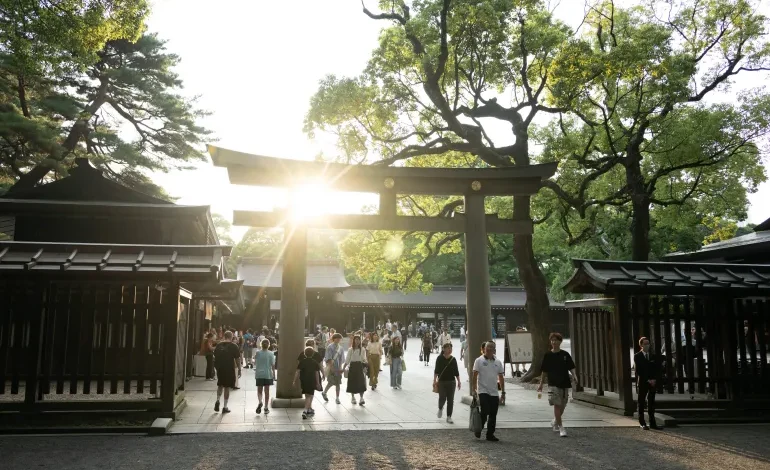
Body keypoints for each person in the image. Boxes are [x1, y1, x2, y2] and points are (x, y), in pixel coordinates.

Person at [537, 332, 577, 438]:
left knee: (563, 405)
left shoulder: (565, 355)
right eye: (552, 340)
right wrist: (541, 384)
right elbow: (544, 371)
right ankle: (561, 427)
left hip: (564, 383)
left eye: (556, 340)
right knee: (557, 405)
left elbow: (571, 366)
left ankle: (555, 421)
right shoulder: (548, 355)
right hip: (553, 384)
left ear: (560, 341)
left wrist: (574, 375)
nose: (554, 342)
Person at [472, 341, 505, 441]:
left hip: (494, 392)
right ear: (484, 349)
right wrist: (474, 390)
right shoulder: (479, 361)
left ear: (494, 350)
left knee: (493, 414)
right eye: (487, 347)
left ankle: (490, 434)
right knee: (485, 411)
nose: (489, 349)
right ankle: (479, 428)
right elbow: (475, 376)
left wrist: (503, 392)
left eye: (491, 347)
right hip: (483, 391)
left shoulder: (498, 362)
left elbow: (501, 377)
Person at [635, 336, 660, 430]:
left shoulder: (653, 355)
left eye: (648, 344)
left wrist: (654, 379)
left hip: (652, 382)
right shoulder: (637, 356)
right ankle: (642, 422)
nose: (647, 346)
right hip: (643, 381)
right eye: (645, 344)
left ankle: (653, 423)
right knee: (641, 402)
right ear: (641, 345)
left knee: (651, 402)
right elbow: (639, 370)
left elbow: (656, 368)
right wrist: (647, 379)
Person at [213, 330, 241, 413]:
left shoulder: (218, 345)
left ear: (224, 336)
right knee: (227, 387)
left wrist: (216, 367)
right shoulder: (234, 346)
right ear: (231, 337)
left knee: (220, 384)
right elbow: (237, 359)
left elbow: (215, 356)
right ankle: (225, 407)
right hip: (229, 368)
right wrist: (239, 369)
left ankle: (218, 400)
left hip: (220, 368)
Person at [295, 346, 324, 419]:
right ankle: (305, 410)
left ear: (304, 354)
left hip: (304, 380)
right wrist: (318, 383)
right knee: (310, 395)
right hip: (312, 380)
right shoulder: (315, 362)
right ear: (313, 354)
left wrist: (294, 380)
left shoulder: (302, 362)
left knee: (307, 395)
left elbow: (297, 371)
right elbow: (316, 373)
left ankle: (308, 409)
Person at [434, 342, 461, 424]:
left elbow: (456, 372)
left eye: (451, 348)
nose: (450, 350)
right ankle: (440, 408)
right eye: (448, 348)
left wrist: (459, 381)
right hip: (442, 381)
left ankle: (449, 416)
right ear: (443, 349)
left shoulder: (453, 359)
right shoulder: (439, 359)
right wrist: (434, 381)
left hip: (451, 382)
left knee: (450, 400)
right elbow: (436, 371)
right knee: (442, 397)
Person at [343, 335, 367, 405]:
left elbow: (364, 359)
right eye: (356, 340)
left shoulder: (362, 349)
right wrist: (343, 368)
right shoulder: (351, 349)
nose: (357, 341)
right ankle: (353, 397)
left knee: (361, 382)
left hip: (360, 366)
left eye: (358, 340)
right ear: (354, 341)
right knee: (352, 382)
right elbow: (347, 360)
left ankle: (361, 398)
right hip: (352, 366)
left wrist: (365, 365)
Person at [322, 333, 345, 404]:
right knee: (331, 382)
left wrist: (341, 368)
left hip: (338, 367)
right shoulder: (330, 347)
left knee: (338, 383)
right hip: (332, 367)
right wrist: (331, 368)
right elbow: (328, 358)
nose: (338, 340)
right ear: (333, 339)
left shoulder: (340, 348)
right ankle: (324, 392)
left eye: (339, 338)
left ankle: (337, 398)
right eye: (336, 338)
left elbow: (342, 359)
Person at [254, 338, 275, 415]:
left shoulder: (258, 353)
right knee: (267, 391)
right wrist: (274, 374)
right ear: (268, 345)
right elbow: (273, 365)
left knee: (259, 390)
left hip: (259, 374)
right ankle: (266, 407)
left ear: (261, 345)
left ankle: (260, 402)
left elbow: (255, 362)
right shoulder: (271, 354)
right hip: (268, 374)